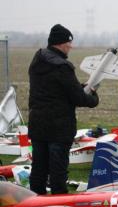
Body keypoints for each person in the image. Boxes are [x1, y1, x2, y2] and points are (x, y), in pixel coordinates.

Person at [28, 24, 99, 195]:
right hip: (58, 130)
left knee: (39, 169)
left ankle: (34, 205)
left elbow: (58, 89)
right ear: (60, 43)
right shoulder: (63, 66)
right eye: (69, 42)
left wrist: (77, 87)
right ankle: (59, 206)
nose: (71, 46)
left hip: (38, 126)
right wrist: (94, 97)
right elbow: (79, 97)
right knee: (58, 172)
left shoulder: (37, 60)